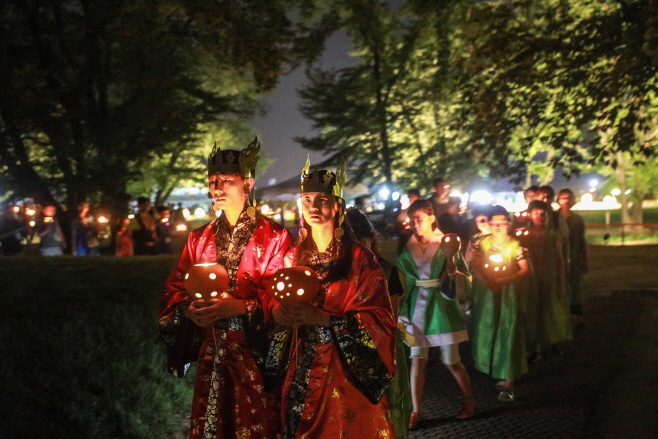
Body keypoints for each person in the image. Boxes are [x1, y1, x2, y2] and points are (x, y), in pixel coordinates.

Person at [159, 138, 293, 439]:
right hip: (213, 349)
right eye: (213, 181)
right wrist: (188, 309)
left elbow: (282, 292)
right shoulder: (199, 238)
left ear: (247, 184)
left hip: (255, 353)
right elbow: (176, 287)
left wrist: (243, 306)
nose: (217, 188)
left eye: (226, 181)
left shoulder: (275, 236)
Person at [266, 159, 397, 439]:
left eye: (322, 200)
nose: (313, 207)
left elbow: (381, 320)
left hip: (344, 371)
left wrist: (327, 319)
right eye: (307, 199)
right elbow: (273, 297)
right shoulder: (290, 256)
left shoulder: (360, 260)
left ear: (338, 205)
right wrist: (277, 311)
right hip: (300, 365)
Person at [397, 199, 475, 428]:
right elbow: (405, 282)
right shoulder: (408, 247)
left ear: (432, 218)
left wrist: (454, 274)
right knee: (417, 360)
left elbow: (465, 276)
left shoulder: (447, 244)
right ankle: (416, 410)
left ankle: (469, 400)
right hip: (417, 310)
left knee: (451, 361)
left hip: (442, 309)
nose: (415, 224)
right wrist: (402, 310)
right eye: (412, 220)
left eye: (420, 219)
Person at [347, 207, 412, 439]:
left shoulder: (386, 272)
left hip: (382, 352)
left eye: (359, 241)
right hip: (347, 354)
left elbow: (388, 322)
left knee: (387, 414)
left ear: (371, 240)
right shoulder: (340, 273)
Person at [470, 206, 530, 402]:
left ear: (508, 224)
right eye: (493, 223)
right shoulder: (481, 243)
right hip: (487, 295)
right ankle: (490, 366)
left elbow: (524, 269)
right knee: (487, 329)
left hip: (508, 295)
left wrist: (504, 280)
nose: (496, 227)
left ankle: (508, 378)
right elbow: (477, 264)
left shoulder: (516, 245)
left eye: (501, 223)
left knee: (508, 331)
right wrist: (486, 281)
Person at [523, 200, 573, 361]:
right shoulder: (524, 234)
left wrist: (561, 281)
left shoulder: (553, 234)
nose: (540, 216)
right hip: (532, 279)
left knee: (551, 310)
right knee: (534, 311)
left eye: (543, 213)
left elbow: (560, 258)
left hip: (550, 276)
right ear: (529, 215)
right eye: (536, 213)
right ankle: (536, 346)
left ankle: (552, 341)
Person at [557, 188, 588, 328]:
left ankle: (577, 316)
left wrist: (585, 259)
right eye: (563, 198)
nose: (566, 201)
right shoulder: (554, 217)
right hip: (557, 259)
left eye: (569, 198)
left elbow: (581, 240)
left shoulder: (577, 219)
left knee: (576, 288)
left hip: (574, 259)